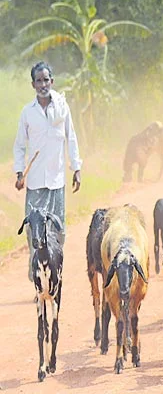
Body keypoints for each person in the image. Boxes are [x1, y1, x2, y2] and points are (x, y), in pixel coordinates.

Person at [13, 61, 82, 282]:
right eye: (39, 81)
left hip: (57, 181)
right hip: (35, 183)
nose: (43, 84)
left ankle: (55, 271)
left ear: (52, 81)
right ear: (33, 84)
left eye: (46, 80)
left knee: (58, 231)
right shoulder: (27, 113)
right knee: (35, 232)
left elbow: (71, 138)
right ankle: (36, 276)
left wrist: (76, 168)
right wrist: (18, 172)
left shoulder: (62, 107)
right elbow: (19, 146)